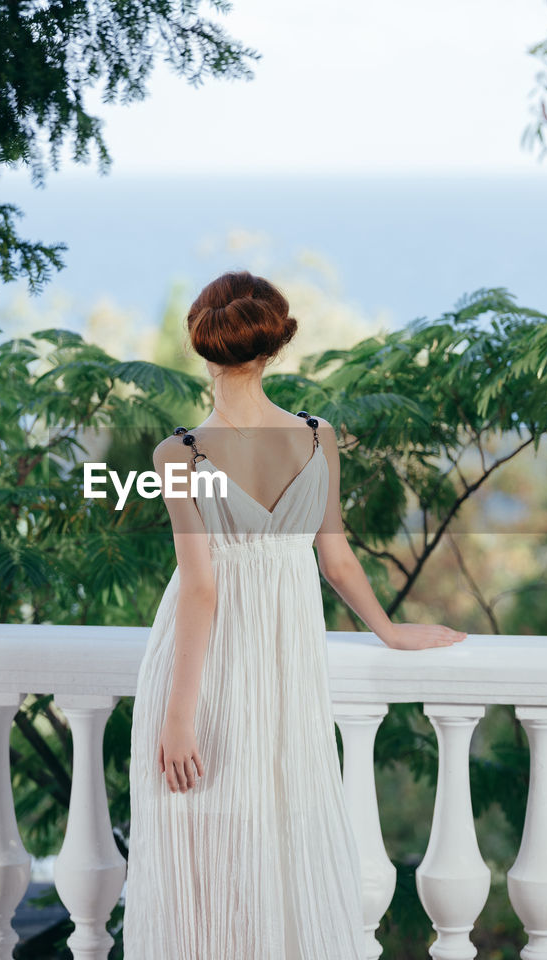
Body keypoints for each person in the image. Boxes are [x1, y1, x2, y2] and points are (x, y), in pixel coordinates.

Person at [123, 270, 466, 958]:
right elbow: (335, 559)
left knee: (205, 863)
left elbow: (200, 590)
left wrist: (179, 717)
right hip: (283, 673)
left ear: (203, 345)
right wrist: (391, 631)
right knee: (280, 845)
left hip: (203, 675)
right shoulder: (317, 437)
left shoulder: (178, 454)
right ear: (272, 349)